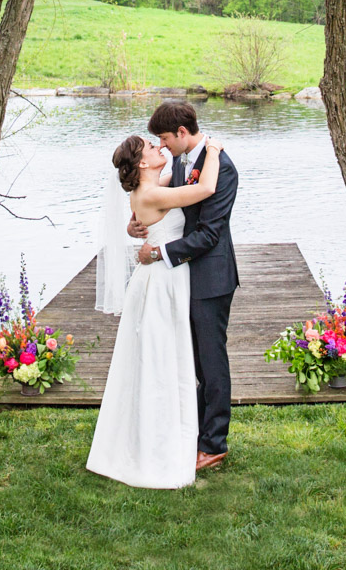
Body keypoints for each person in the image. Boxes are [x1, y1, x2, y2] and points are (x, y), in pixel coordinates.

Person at [86, 132, 223, 488]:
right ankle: (157, 447)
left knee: (158, 358)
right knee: (159, 360)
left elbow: (175, 185)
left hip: (161, 278)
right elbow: (205, 188)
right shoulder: (151, 193)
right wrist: (214, 149)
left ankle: (160, 436)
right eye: (151, 146)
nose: (158, 146)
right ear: (143, 163)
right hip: (161, 282)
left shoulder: (148, 188)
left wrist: (133, 225)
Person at [133, 100, 239, 472]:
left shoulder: (221, 167)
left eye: (163, 137)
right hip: (181, 279)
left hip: (210, 278)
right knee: (189, 360)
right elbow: (162, 205)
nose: (160, 146)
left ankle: (214, 443)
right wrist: (138, 223)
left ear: (181, 133)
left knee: (212, 363)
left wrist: (158, 251)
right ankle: (192, 431)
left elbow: (210, 234)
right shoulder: (180, 162)